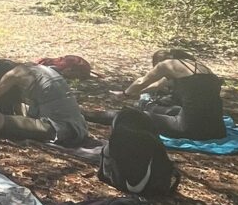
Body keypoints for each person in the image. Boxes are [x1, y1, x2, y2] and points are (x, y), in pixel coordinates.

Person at [85, 49, 227, 140]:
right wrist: (135, 94)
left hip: (189, 128)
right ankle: (144, 105)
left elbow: (142, 81)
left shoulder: (167, 65)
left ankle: (85, 114)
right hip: (217, 129)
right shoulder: (199, 67)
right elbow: (158, 85)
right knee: (160, 108)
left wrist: (124, 94)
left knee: (130, 114)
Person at [0, 59, 89, 147]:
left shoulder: (14, 74)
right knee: (5, 115)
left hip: (58, 129)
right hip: (77, 125)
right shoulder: (39, 70)